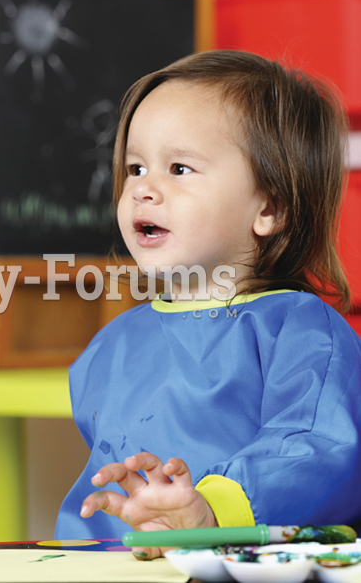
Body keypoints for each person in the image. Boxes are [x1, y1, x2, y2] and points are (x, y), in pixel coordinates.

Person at [54, 50, 361, 558]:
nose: (144, 189)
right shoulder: (113, 343)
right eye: (134, 167)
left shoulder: (302, 331)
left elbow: (319, 453)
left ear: (270, 207)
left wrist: (212, 512)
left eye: (179, 168)